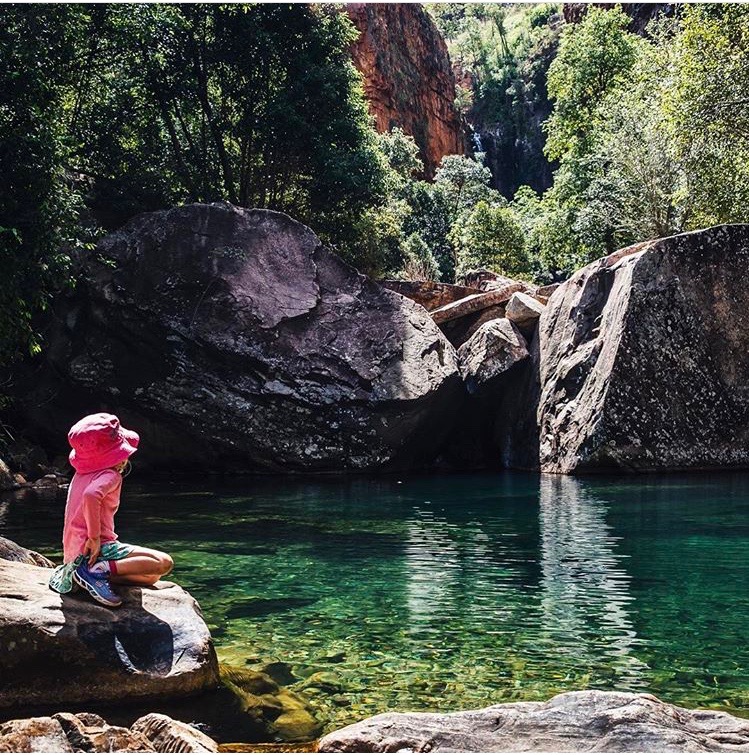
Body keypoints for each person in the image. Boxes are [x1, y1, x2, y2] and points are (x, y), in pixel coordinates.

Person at [48, 412, 174, 607]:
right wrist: (94, 538)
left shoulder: (81, 474)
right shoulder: (110, 476)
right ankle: (97, 571)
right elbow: (91, 496)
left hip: (74, 553)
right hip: (94, 548)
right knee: (164, 563)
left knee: (150, 578)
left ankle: (87, 576)